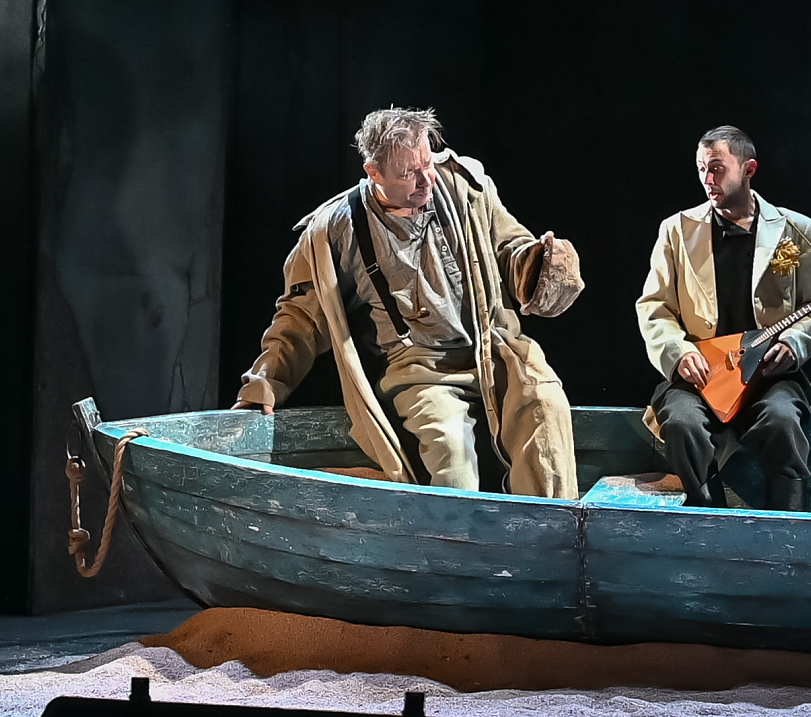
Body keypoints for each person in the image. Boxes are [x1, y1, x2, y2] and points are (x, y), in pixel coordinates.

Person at [234, 107, 584, 498]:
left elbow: (509, 245)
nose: (425, 179)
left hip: (494, 349)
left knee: (546, 406)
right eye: (408, 173)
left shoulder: (463, 186)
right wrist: (264, 384)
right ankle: (458, 536)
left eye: (427, 163)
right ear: (373, 173)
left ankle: (548, 530)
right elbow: (299, 318)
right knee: (451, 455)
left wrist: (537, 267)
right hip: (420, 371)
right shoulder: (334, 231)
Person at [635, 126, 811, 510]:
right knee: (682, 423)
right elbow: (654, 307)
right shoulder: (677, 230)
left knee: (782, 421)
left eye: (717, 168)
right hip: (703, 375)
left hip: (766, 376)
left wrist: (793, 344)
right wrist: (678, 352)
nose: (708, 179)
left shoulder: (796, 229)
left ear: (749, 168)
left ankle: (789, 526)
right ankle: (708, 517)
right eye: (701, 169)